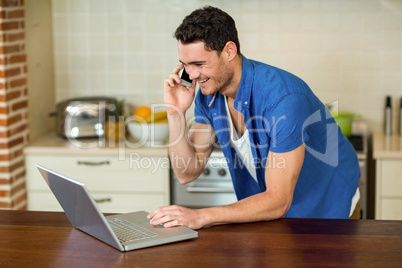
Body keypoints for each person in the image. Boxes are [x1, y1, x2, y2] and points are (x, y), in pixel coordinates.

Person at [147, 6, 361, 229]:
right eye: (186, 65)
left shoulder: (284, 97)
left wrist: (200, 216)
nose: (191, 76)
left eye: (199, 64)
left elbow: (278, 201)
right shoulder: (208, 95)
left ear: (229, 51)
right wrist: (175, 112)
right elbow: (186, 172)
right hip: (278, 211)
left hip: (328, 202)